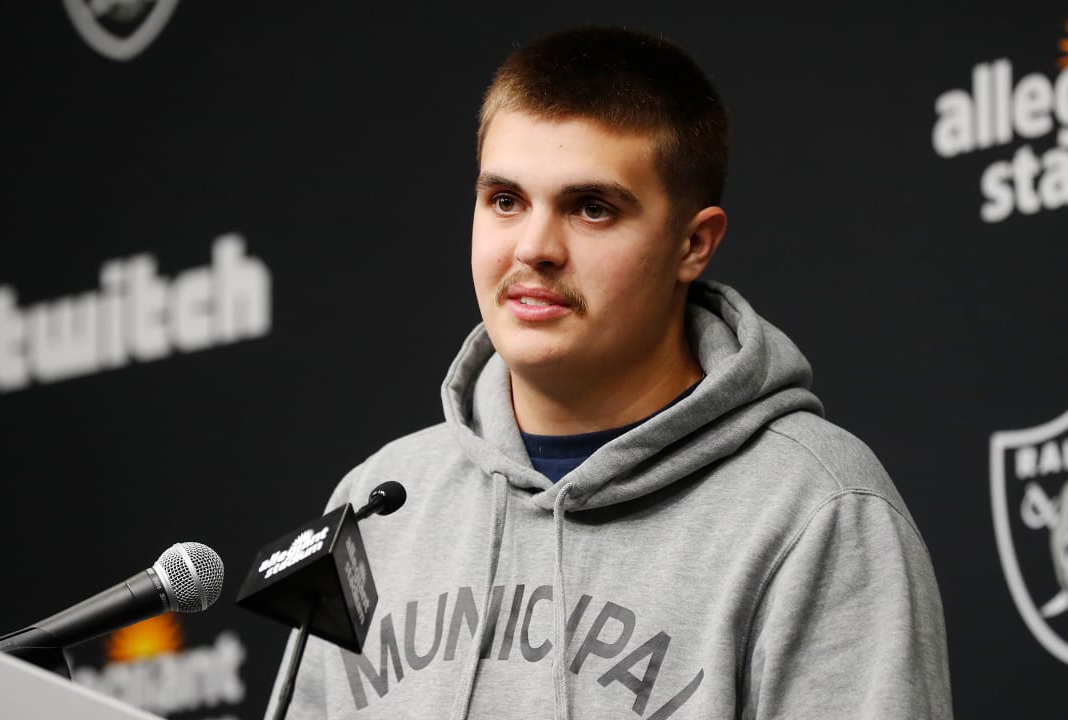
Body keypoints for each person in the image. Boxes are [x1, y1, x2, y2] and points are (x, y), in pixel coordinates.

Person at [269, 26, 952, 720]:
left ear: (693, 244)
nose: (534, 248)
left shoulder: (817, 512)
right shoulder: (382, 501)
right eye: (505, 200)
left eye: (591, 208)